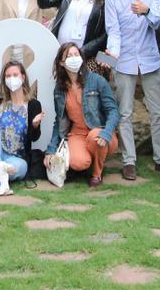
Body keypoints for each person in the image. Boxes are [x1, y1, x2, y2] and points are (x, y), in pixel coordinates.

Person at [103, 0, 160, 179]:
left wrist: (146, 12)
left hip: (150, 60)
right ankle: (128, 160)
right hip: (124, 61)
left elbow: (158, 23)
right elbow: (113, 32)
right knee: (125, 113)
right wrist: (111, 57)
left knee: (159, 111)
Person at [46, 42, 120, 186]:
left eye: (76, 54)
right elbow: (59, 121)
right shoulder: (59, 90)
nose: (74, 58)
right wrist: (51, 150)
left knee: (95, 137)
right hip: (77, 133)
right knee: (78, 163)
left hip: (101, 131)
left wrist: (107, 132)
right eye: (69, 56)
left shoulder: (97, 80)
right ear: (62, 62)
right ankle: (91, 161)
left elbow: (113, 110)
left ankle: (97, 174)